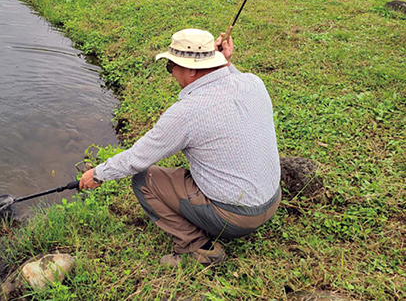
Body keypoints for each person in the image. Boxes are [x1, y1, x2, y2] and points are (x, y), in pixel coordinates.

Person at [79, 28, 281, 266]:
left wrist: (98, 174)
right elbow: (230, 78)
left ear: (192, 69)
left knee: (144, 180)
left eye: (171, 66)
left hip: (236, 219)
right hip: (271, 201)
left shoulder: (187, 112)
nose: (172, 73)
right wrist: (224, 64)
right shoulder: (253, 83)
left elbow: (138, 158)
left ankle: (197, 249)